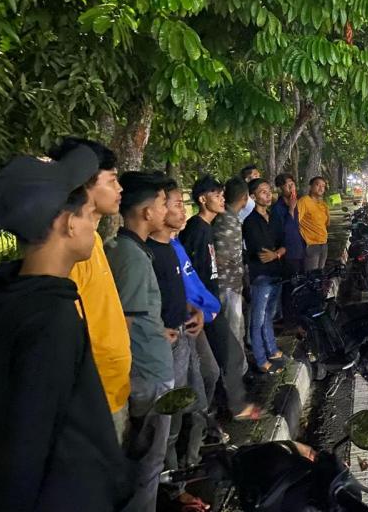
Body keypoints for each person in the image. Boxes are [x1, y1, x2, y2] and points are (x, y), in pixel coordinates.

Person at [0, 146, 130, 511]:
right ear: (68, 223)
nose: (92, 222)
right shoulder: (49, 320)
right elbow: (25, 449)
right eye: (87, 212)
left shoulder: (12, 296)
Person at [48, 137, 132, 445]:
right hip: (95, 398)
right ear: (85, 184)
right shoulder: (68, 253)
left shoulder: (92, 241)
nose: (119, 189)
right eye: (112, 180)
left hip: (114, 386)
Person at [106, 171, 174, 512]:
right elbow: (125, 324)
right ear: (147, 212)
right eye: (162, 203)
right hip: (148, 371)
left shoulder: (126, 248)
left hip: (150, 361)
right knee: (149, 459)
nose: (166, 210)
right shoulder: (131, 256)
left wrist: (158, 329)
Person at [147, 178, 211, 512]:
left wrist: (194, 309)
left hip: (185, 335)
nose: (178, 211)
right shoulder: (143, 253)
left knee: (198, 403)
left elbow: (177, 292)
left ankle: (191, 463)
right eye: (170, 203)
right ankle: (174, 486)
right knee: (168, 424)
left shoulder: (171, 247)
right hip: (168, 346)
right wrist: (156, 330)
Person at [213, 177, 265, 419]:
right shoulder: (226, 222)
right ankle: (233, 388)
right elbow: (224, 258)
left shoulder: (230, 220)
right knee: (232, 337)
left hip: (233, 286)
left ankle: (242, 376)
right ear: (244, 198)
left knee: (238, 331)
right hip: (226, 288)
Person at [242, 178, 287, 374]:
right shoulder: (250, 222)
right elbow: (262, 253)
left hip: (277, 272)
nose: (268, 195)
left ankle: (272, 349)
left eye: (269, 191)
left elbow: (283, 243)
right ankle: (260, 359)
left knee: (269, 314)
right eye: (263, 192)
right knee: (258, 318)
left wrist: (277, 253)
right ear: (253, 197)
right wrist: (277, 252)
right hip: (261, 276)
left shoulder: (274, 217)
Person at [179, 174, 224, 301]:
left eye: (222, 195)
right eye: (217, 196)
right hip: (201, 299)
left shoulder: (208, 225)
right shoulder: (196, 227)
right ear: (203, 199)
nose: (222, 199)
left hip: (210, 295)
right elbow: (188, 266)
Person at [272, 173, 307, 323]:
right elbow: (284, 230)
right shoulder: (277, 209)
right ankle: (290, 320)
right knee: (290, 287)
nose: (292, 188)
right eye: (288, 185)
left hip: (301, 249)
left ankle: (301, 317)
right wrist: (291, 210)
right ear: (281, 188)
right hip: (288, 253)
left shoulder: (298, 204)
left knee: (302, 285)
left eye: (293, 184)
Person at [297, 176, 330, 271]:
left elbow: (326, 224)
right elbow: (295, 222)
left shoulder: (323, 204)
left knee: (320, 273)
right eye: (317, 185)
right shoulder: (304, 201)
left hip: (323, 243)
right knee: (311, 275)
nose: (321, 188)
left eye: (323, 186)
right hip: (311, 245)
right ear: (310, 187)